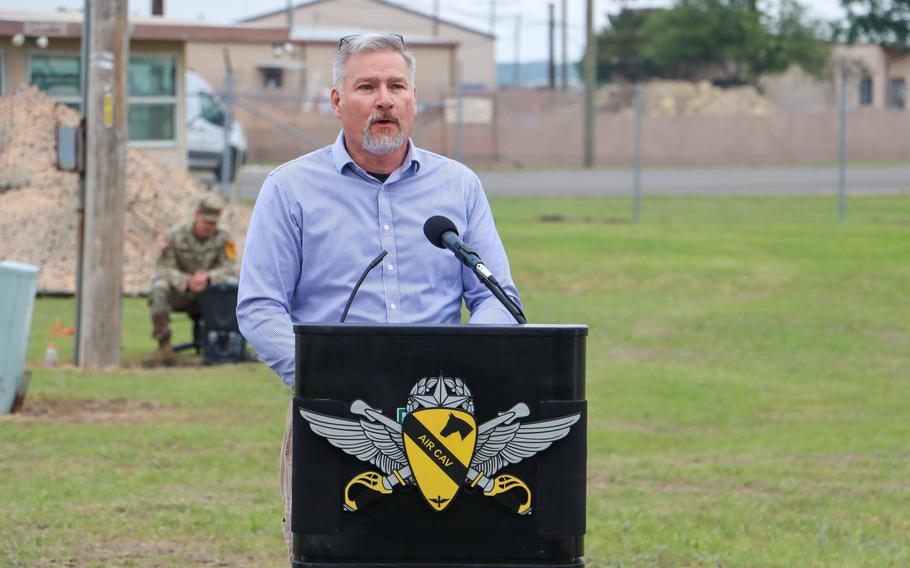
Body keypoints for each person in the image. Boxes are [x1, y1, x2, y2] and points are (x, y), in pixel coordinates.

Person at [236, 32, 522, 553]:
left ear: (414, 100)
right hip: (335, 418)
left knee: (445, 553)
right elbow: (260, 307)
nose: (384, 99)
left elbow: (494, 298)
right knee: (332, 554)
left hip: (444, 427)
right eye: (366, 86)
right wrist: (328, 381)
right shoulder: (289, 189)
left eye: (397, 86)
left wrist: (468, 372)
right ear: (337, 102)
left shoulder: (458, 187)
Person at [145, 193, 238, 365]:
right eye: (206, 222)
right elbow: (162, 268)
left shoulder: (224, 238)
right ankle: (164, 345)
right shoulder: (175, 236)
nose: (209, 227)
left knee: (233, 285)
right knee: (159, 287)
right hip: (181, 292)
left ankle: (226, 345)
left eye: (213, 223)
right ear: (196, 216)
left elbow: (231, 268)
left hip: (211, 295)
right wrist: (186, 280)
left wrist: (209, 277)